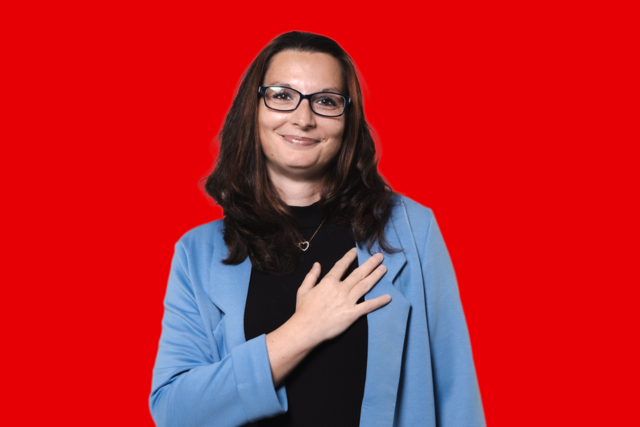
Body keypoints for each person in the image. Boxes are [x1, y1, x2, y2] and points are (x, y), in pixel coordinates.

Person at [149, 31, 485, 427]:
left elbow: (456, 395)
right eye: (282, 96)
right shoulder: (198, 253)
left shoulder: (411, 230)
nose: (303, 118)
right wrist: (302, 331)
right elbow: (174, 411)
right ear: (253, 110)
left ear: (348, 119)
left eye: (325, 101)